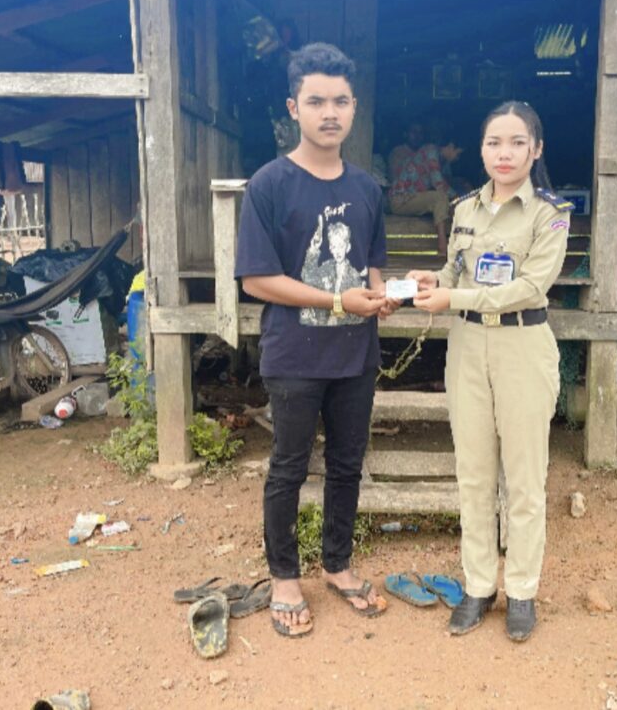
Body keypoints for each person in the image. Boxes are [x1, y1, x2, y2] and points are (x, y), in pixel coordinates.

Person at [235, 42, 398, 638]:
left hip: (356, 354)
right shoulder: (269, 184)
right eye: (317, 101)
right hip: (295, 355)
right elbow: (256, 279)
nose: (330, 113)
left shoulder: (368, 188)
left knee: (348, 463)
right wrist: (335, 301)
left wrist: (383, 294)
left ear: (354, 108)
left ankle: (337, 564)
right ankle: (284, 576)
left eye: (341, 101)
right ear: (293, 108)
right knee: (289, 466)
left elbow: (371, 266)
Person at [405, 101, 571, 642]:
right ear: (481, 149)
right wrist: (430, 283)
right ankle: (479, 586)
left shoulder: (551, 214)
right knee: (473, 473)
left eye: (517, 142)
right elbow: (454, 271)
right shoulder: (464, 209)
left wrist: (452, 297)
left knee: (524, 478)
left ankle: (521, 590)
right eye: (494, 142)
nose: (505, 153)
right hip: (468, 346)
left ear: (536, 149)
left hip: (523, 345)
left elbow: (530, 287)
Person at [387, 121, 463, 255]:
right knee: (440, 197)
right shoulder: (431, 151)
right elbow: (439, 184)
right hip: (400, 199)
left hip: (412, 198)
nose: (457, 158)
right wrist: (459, 199)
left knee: (446, 201)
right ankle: (442, 247)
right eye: (458, 154)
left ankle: (458, 244)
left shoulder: (441, 160)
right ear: (451, 146)